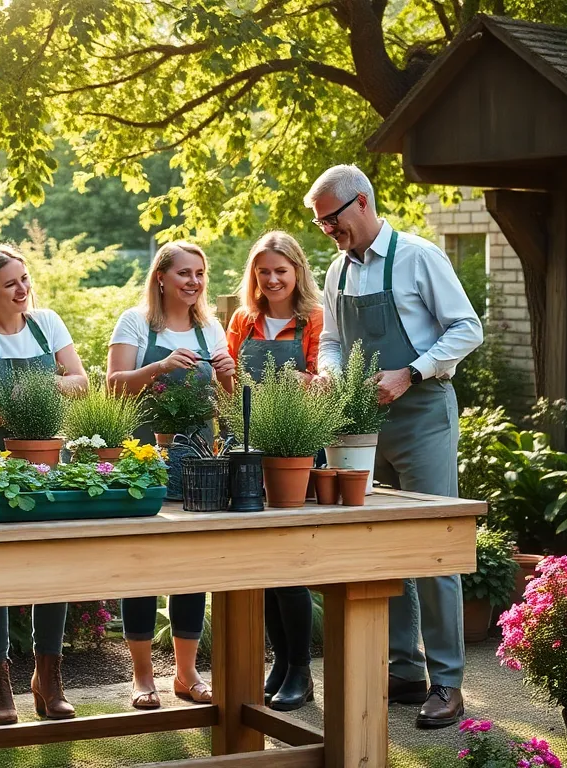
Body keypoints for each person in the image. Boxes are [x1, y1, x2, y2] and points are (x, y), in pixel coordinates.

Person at [305, 164, 484, 729]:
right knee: (382, 546)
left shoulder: (418, 256)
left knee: (433, 548)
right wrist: (331, 372)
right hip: (360, 422)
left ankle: (448, 683)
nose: (327, 233)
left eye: (330, 220)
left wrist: (410, 370)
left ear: (360, 203)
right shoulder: (337, 271)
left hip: (423, 415)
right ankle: (404, 670)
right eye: (320, 225)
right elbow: (332, 341)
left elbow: (466, 328)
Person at [0, 244, 89, 726]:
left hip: (49, 459)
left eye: (25, 279)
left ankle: (48, 675)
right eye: (11, 283)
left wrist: (31, 390)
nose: (23, 289)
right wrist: (48, 386)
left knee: (53, 566)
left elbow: (82, 382)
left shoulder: (47, 322)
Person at [105, 240, 236, 710]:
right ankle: (142, 678)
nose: (195, 282)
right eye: (185, 273)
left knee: (190, 568)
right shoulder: (135, 322)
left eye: (200, 273)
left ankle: (186, 674)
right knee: (141, 565)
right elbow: (112, 386)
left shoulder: (210, 329)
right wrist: (158, 366)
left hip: (199, 464)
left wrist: (227, 375)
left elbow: (228, 403)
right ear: (161, 276)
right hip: (141, 462)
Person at [224, 231, 325, 712]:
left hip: (298, 449)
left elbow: (323, 382)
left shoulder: (313, 321)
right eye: (263, 271)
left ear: (297, 272)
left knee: (291, 565)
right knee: (265, 562)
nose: (272, 279)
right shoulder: (244, 320)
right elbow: (228, 383)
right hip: (250, 447)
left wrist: (298, 380)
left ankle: (301, 670)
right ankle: (281, 664)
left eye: (281, 271)